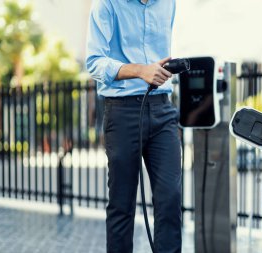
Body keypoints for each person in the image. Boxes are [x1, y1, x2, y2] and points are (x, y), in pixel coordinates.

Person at [86, 0, 181, 252]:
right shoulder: (106, 5)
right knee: (122, 204)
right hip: (122, 111)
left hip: (163, 108)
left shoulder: (168, 4)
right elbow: (94, 61)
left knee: (171, 198)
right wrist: (140, 70)